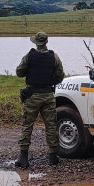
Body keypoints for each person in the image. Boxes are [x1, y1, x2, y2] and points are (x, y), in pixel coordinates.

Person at [15, 31, 65, 168]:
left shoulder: (29, 56)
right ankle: (52, 156)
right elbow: (60, 76)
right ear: (46, 42)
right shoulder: (54, 56)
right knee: (51, 126)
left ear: (36, 42)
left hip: (32, 96)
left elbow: (19, 72)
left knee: (27, 125)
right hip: (48, 95)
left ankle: (23, 157)